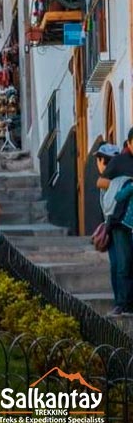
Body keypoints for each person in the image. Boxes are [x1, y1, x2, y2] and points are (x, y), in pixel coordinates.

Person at [96, 135, 133, 316]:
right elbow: (101, 182)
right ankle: (122, 303)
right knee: (121, 263)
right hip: (119, 220)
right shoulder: (120, 162)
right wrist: (124, 185)